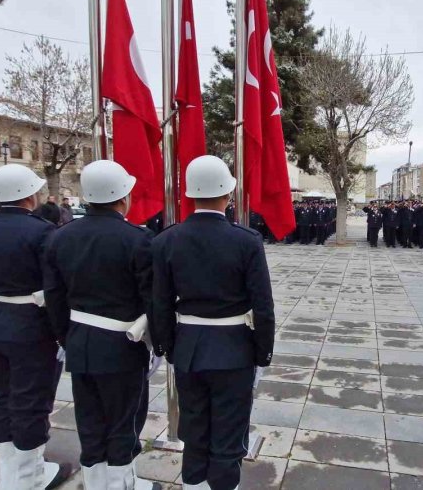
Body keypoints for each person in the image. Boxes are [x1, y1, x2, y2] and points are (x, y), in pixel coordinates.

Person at [149, 155, 275, 490]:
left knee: (194, 429)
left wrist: (169, 348)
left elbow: (159, 303)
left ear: (190, 195)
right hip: (234, 350)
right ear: (228, 194)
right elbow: (263, 307)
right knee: (229, 434)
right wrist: (262, 354)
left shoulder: (166, 240)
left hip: (188, 347)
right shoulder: (246, 240)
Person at [43, 161, 156, 489]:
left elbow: (55, 298)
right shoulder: (138, 239)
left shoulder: (60, 237)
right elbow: (152, 299)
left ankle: (96, 484)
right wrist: (158, 344)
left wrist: (67, 338)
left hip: (80, 341)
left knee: (90, 422)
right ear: (124, 197)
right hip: (124, 346)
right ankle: (122, 484)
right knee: (124, 422)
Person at [0, 164, 70, 489]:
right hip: (31, 327)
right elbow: (54, 288)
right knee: (31, 402)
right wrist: (60, 332)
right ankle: (30, 478)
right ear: (29, 195)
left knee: (5, 399)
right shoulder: (41, 232)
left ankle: (10, 475)